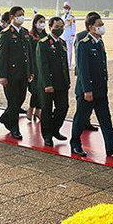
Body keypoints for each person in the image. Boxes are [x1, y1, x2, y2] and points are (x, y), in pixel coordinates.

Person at [70, 13, 113, 158]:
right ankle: (75, 143)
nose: (102, 27)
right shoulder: (84, 44)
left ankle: (111, 146)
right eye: (99, 25)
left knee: (105, 119)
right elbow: (83, 69)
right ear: (91, 27)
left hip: (100, 89)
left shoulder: (99, 42)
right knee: (81, 119)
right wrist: (87, 90)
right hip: (87, 90)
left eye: (102, 24)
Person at [0, 6, 33, 140]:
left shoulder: (24, 32)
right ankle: (14, 128)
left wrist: (30, 71)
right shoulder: (5, 34)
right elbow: (2, 57)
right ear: (12, 17)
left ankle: (6, 118)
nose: (21, 17)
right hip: (11, 74)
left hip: (23, 73)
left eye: (23, 14)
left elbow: (28, 54)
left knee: (21, 99)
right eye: (19, 15)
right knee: (13, 102)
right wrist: (2, 75)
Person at [36, 16, 70, 146]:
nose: (60, 29)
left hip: (61, 83)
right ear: (50, 27)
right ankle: (47, 135)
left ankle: (55, 129)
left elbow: (64, 64)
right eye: (57, 27)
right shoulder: (43, 43)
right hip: (48, 84)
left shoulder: (62, 42)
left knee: (63, 107)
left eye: (61, 27)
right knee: (47, 110)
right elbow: (42, 65)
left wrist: (67, 81)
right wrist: (47, 84)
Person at [27, 14, 46, 122]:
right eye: (40, 21)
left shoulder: (44, 35)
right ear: (35, 23)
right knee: (35, 90)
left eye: (44, 21)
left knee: (41, 90)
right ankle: (31, 109)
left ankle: (38, 110)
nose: (42, 24)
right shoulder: (31, 36)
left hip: (42, 66)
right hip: (34, 66)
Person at [62, 1, 76, 69]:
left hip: (69, 36)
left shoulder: (71, 17)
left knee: (69, 52)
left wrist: (72, 36)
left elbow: (73, 27)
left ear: (69, 9)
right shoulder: (62, 16)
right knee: (63, 51)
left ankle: (69, 65)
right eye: (64, 7)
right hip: (63, 36)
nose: (65, 9)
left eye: (66, 8)